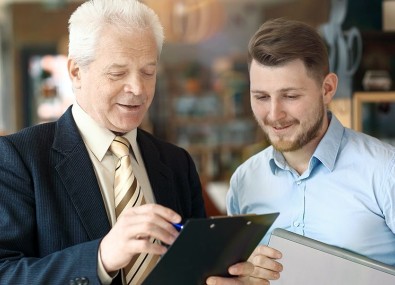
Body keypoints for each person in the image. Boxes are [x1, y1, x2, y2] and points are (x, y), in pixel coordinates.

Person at [0, 1, 257, 284]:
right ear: (76, 72)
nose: (137, 89)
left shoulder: (176, 163)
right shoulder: (20, 158)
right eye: (118, 73)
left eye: (148, 72)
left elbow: (193, 270)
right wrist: (101, 257)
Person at [226, 18, 395, 282]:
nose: (274, 114)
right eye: (261, 97)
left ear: (327, 89)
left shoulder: (386, 171)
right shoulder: (243, 181)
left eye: (291, 96)